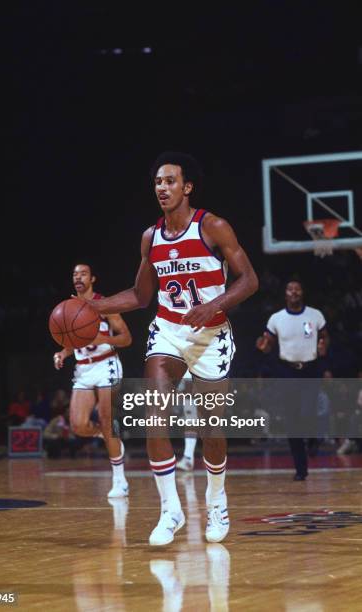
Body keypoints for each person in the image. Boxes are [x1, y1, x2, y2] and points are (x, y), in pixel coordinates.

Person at [84, 151, 258, 545]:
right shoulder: (152, 237)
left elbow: (249, 280)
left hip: (212, 333)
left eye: (170, 181)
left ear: (187, 187)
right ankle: (171, 510)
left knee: (213, 429)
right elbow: (141, 295)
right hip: (168, 330)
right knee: (154, 413)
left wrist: (214, 305)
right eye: (158, 183)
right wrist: (95, 306)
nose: (162, 188)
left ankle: (217, 500)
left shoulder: (213, 226)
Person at [53, 263, 132, 497]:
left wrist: (101, 338)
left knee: (106, 418)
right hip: (83, 369)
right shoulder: (69, 307)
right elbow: (72, 340)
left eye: (83, 273)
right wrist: (63, 353)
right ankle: (107, 437)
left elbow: (127, 338)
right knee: (77, 425)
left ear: (93, 278)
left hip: (107, 363)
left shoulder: (104, 304)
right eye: (75, 274)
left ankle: (120, 481)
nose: (78, 277)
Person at [256, 279, 330, 480]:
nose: (294, 292)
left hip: (310, 368)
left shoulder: (314, 315)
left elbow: (324, 335)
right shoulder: (276, 318)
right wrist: (263, 346)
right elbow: (267, 342)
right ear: (285, 294)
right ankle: (300, 469)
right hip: (287, 370)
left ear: (302, 292)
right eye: (290, 289)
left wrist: (323, 345)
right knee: (292, 420)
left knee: (308, 412)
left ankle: (315, 438)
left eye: (298, 288)